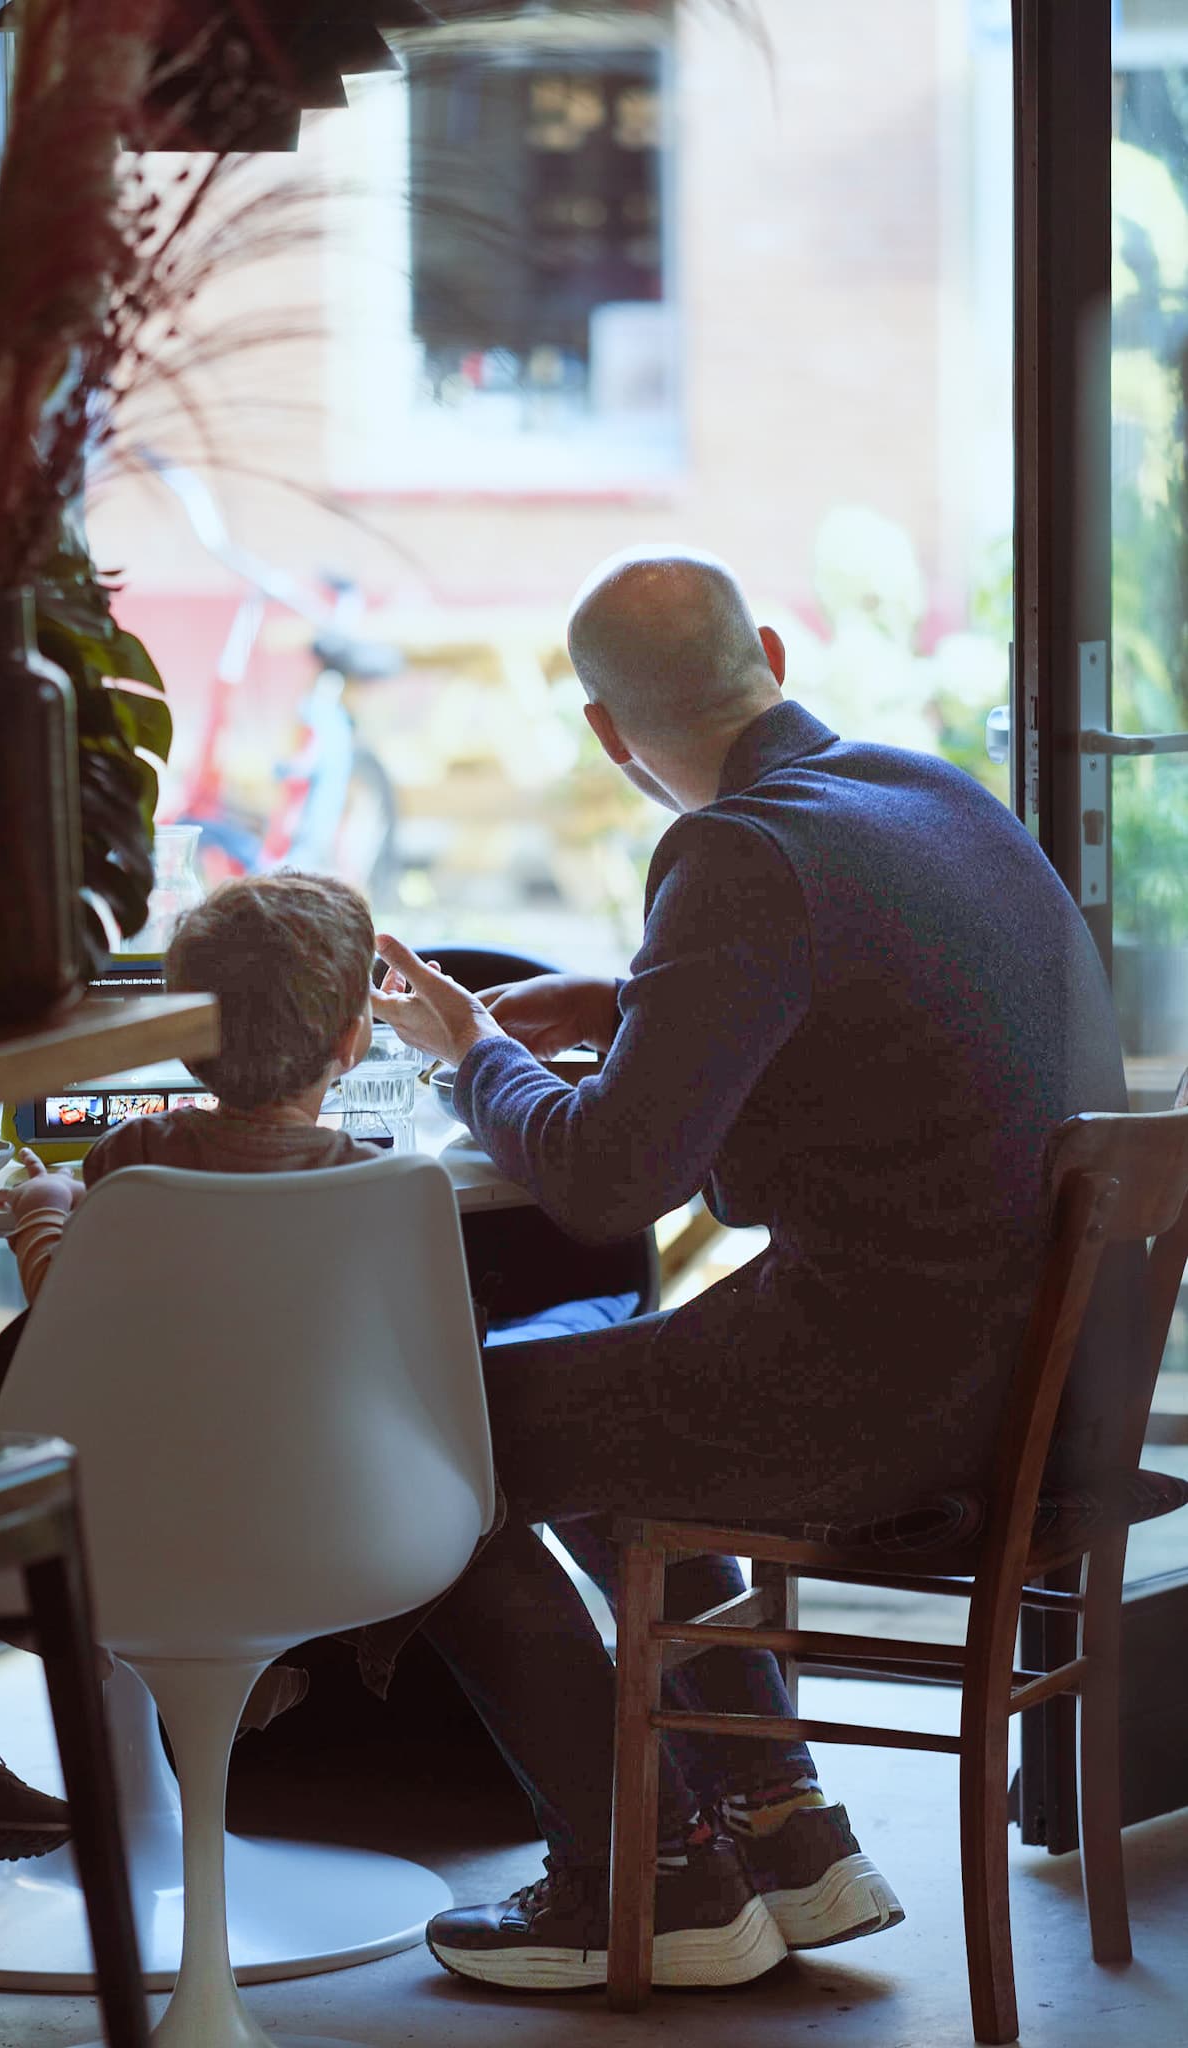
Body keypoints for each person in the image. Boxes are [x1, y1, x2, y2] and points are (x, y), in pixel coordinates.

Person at [369, 544, 1128, 1992]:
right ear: (770, 651)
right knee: (625, 1416)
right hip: (1026, 1384)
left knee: (428, 1442)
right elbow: (850, 1022)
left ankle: (636, 1883)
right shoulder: (935, 796)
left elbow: (605, 1181)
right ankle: (786, 1833)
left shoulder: (736, 851)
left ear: (606, 734)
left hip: (882, 1402)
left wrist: (477, 1058)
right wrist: (635, 998)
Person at [0, 870, 638, 1859]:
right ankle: (617, 1842)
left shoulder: (131, 1163)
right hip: (345, 1527)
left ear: (179, 1035)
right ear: (353, 1042)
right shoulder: (388, 1187)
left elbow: (71, 1329)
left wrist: (44, 1212)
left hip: (130, 1535)